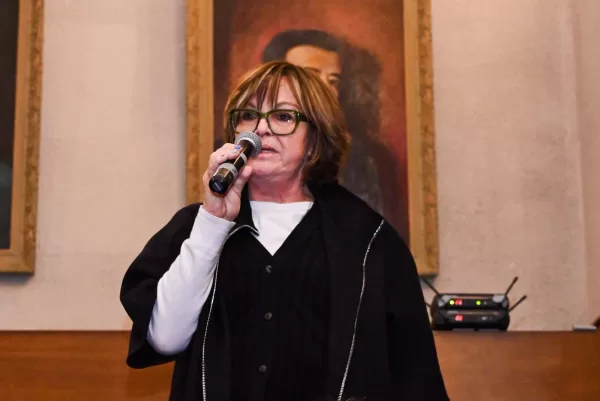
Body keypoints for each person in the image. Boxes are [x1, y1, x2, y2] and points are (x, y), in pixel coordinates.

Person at [120, 61, 449, 401]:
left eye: (282, 116)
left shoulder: (367, 238)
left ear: (315, 139)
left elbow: (414, 372)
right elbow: (165, 339)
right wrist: (213, 221)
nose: (260, 129)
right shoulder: (196, 225)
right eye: (248, 115)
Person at [260, 29, 386, 218]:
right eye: (310, 76)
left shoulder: (359, 161)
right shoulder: (244, 150)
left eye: (333, 81)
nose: (327, 89)